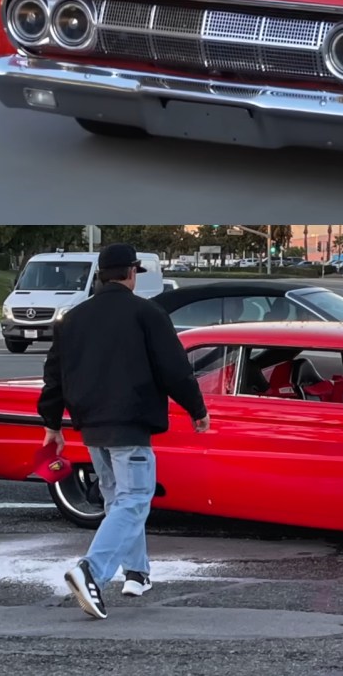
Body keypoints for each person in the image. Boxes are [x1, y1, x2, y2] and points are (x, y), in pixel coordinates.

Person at [38, 243, 209, 621]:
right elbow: (175, 369)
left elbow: (54, 375)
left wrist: (52, 423)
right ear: (132, 273)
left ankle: (137, 573)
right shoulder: (147, 313)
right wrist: (196, 409)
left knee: (120, 501)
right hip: (129, 424)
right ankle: (92, 571)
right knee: (134, 499)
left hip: (91, 426)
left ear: (100, 274)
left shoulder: (74, 318)